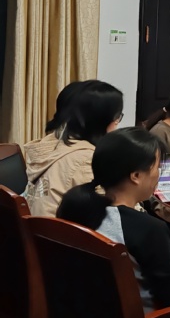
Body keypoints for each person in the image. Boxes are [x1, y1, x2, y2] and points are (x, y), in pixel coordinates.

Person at [57, 128, 170, 312]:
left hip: (78, 316)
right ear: (136, 176)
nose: (158, 174)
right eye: (157, 168)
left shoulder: (75, 209)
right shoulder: (149, 228)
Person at [23, 80, 124, 217]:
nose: (117, 124)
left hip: (40, 226)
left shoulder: (52, 143)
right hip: (61, 229)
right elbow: (112, 213)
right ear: (100, 120)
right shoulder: (85, 160)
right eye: (117, 117)